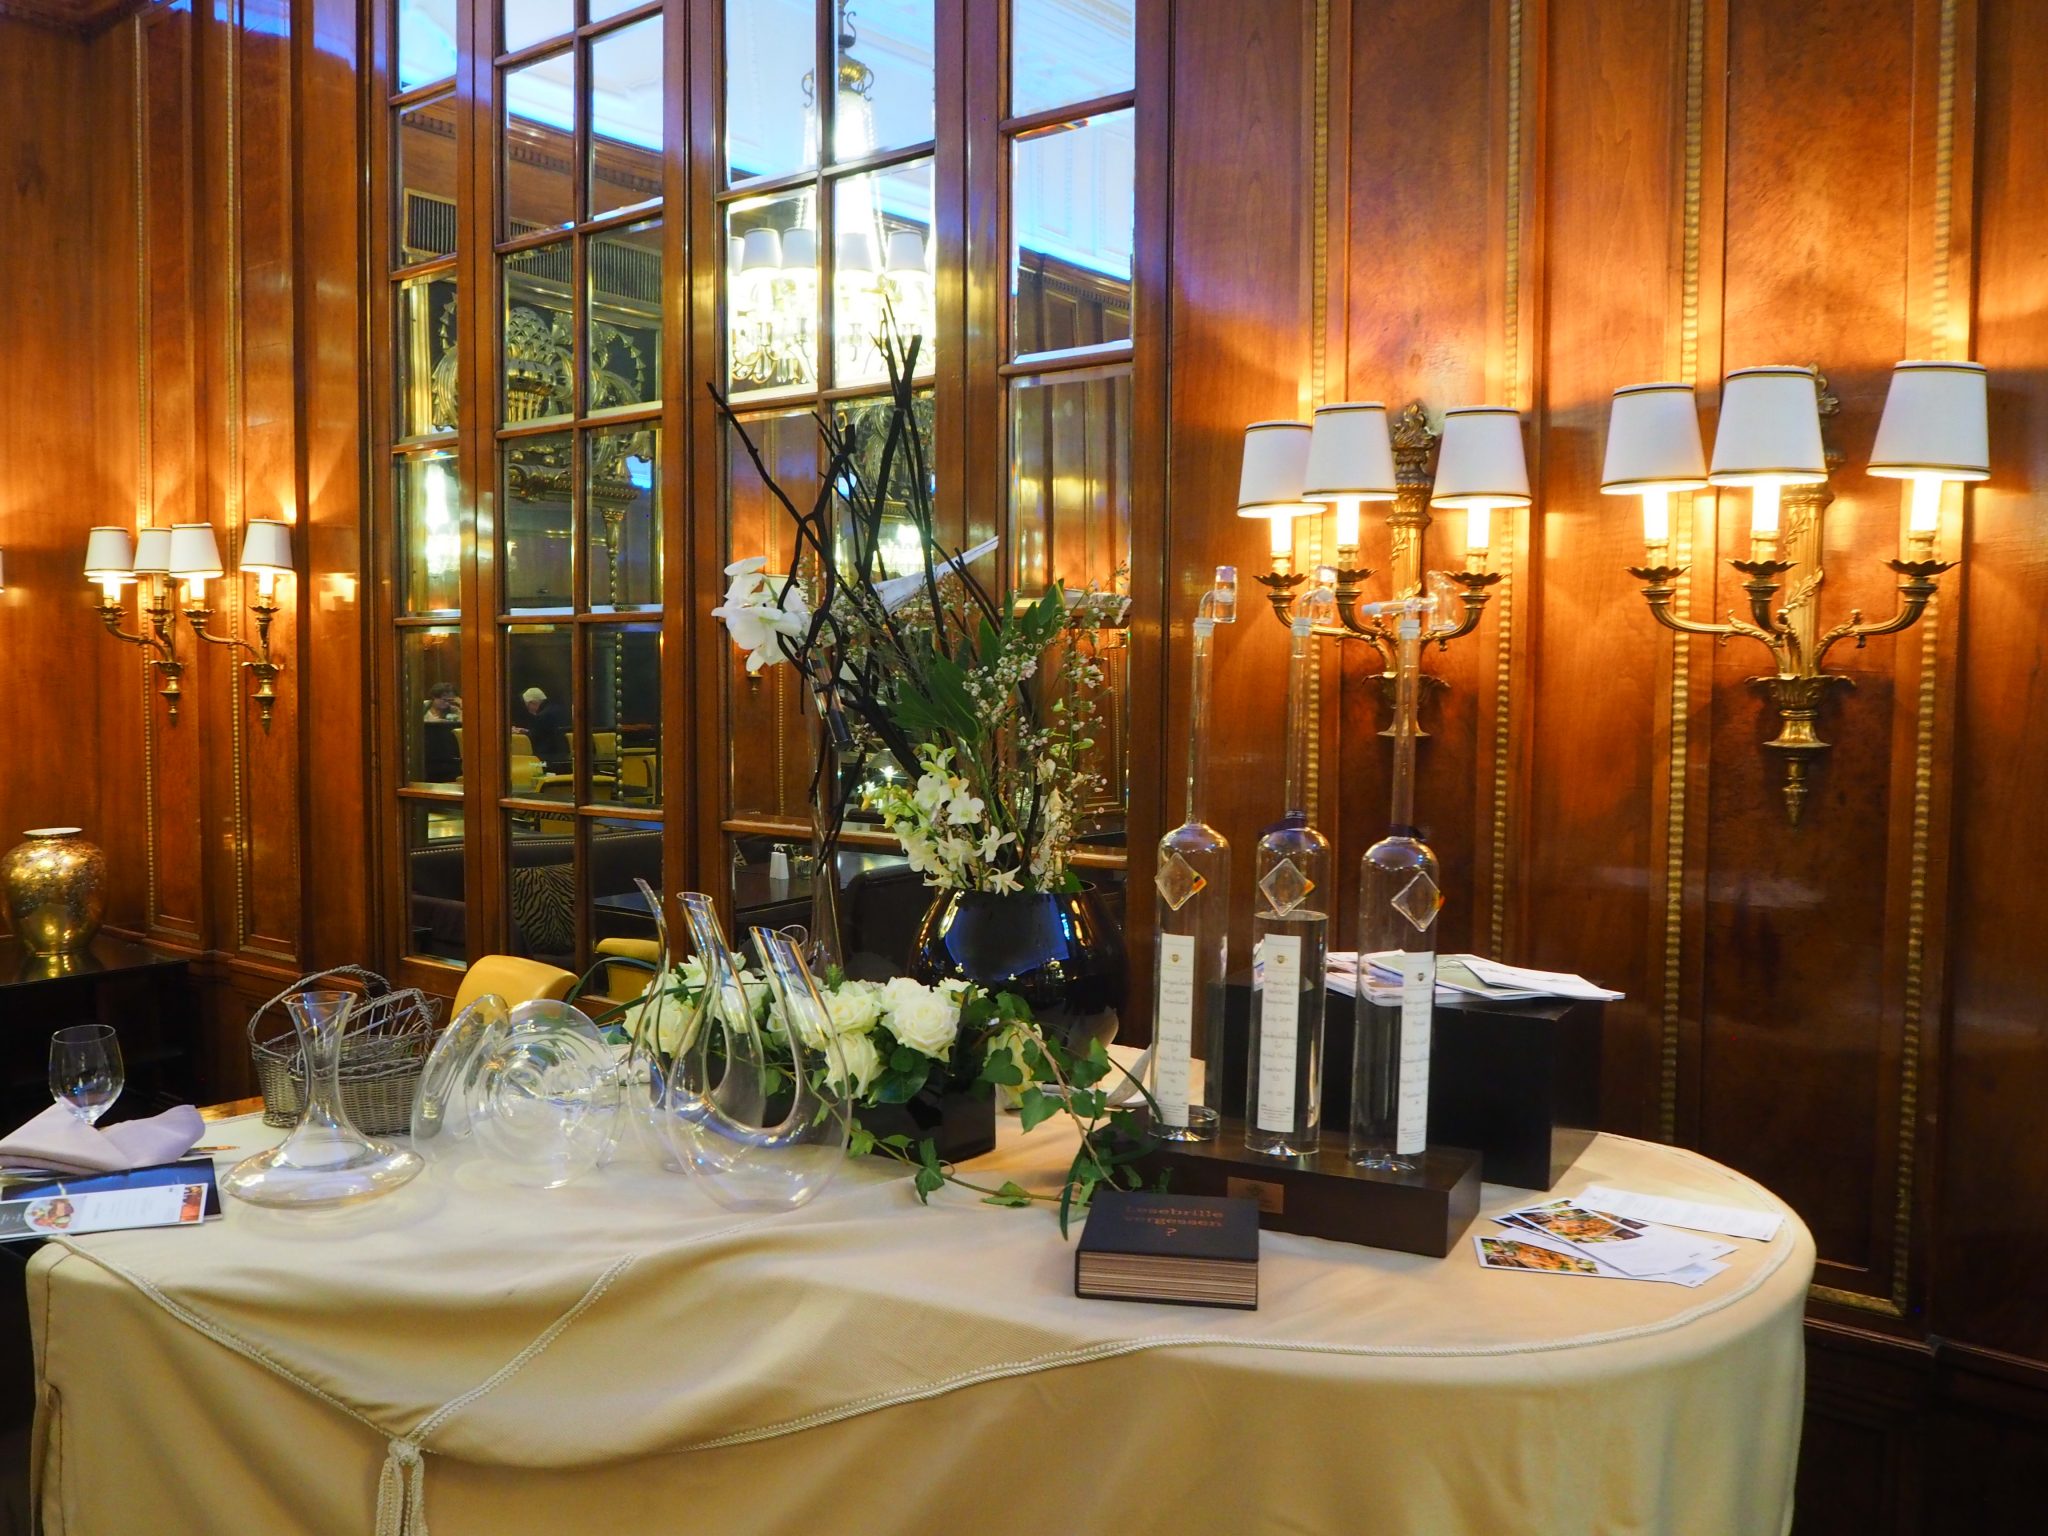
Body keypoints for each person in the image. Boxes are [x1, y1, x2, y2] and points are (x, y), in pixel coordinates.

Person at [520, 686, 569, 769]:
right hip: (565, 755)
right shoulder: (558, 709)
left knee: (526, 766)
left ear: (532, 703)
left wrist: (523, 734)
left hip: (547, 760)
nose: (528, 710)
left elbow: (534, 738)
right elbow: (546, 731)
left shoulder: (543, 715)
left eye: (528, 706)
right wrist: (527, 731)